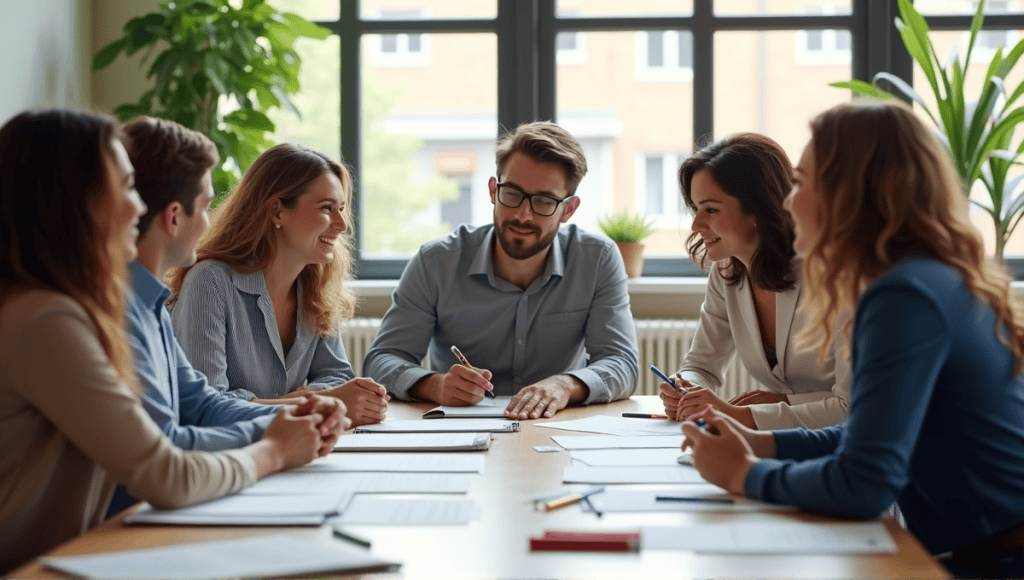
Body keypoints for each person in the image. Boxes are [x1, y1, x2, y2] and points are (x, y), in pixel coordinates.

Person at [681, 101, 1024, 579]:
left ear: (849, 195)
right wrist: (760, 444)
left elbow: (863, 483)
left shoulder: (903, 295)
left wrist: (741, 473)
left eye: (800, 183)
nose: (785, 202)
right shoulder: (922, 278)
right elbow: (868, 433)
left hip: (993, 563)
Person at [0, 109, 345, 574]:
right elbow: (164, 469)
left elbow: (198, 401)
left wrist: (286, 418)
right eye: (124, 188)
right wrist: (277, 447)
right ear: (74, 201)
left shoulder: (119, 303)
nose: (139, 207)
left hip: (85, 551)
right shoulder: (48, 319)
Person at [363, 121, 639, 420]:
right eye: (512, 194)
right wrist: (436, 385)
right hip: (458, 431)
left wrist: (565, 385)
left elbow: (621, 362)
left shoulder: (597, 259)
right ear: (494, 190)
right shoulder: (436, 262)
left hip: (556, 427)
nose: (523, 214)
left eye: (544, 201)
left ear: (569, 209)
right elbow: (382, 360)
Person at [169, 143, 388, 427]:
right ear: (276, 211)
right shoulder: (209, 281)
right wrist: (308, 404)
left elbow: (337, 377)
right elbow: (206, 407)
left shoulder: (317, 284)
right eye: (327, 208)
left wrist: (309, 398)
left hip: (289, 449)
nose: (342, 224)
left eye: (342, 209)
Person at [658, 133, 852, 430]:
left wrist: (762, 409)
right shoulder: (727, 272)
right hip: (788, 442)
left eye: (711, 209)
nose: (696, 225)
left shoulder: (835, 275)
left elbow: (853, 407)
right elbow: (700, 366)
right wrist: (685, 389)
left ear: (757, 209)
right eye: (695, 209)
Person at [124, 116, 280, 450]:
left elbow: (199, 403)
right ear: (175, 216)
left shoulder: (152, 306)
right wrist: (275, 438)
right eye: (208, 205)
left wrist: (289, 418)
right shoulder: (119, 311)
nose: (210, 223)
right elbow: (164, 446)